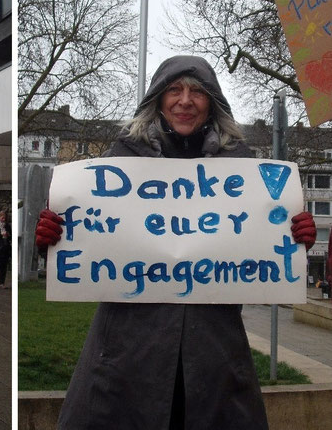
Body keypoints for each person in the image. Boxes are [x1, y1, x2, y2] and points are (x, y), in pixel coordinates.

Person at [37, 55, 317, 429]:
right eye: (174, 89)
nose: (185, 101)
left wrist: (294, 237)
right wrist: (53, 240)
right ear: (158, 97)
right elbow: (87, 243)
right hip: (127, 354)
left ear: (212, 102)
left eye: (197, 92)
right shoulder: (119, 161)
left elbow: (261, 249)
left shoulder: (243, 168)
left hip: (214, 355)